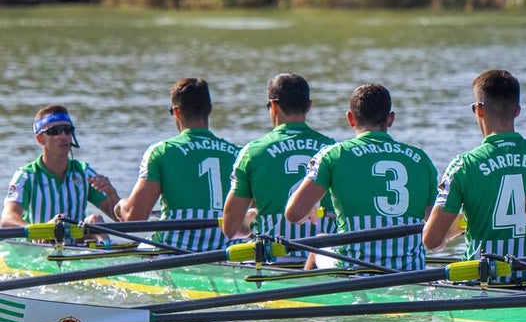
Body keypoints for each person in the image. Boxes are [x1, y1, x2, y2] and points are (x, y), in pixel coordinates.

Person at [423, 70, 526, 282]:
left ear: (478, 110)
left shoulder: (463, 166)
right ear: (517, 110)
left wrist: (460, 226)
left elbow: (432, 241)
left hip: (485, 289)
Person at [285, 83, 436, 270]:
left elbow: (293, 214)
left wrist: (309, 207)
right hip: (409, 272)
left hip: (354, 270)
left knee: (319, 243)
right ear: (390, 119)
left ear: (350, 118)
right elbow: (434, 238)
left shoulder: (333, 155)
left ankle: (306, 295)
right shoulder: (421, 159)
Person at [115, 78, 240, 252]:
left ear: (176, 112)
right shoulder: (238, 153)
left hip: (176, 248)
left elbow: (135, 218)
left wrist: (121, 205)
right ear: (209, 110)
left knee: (139, 247)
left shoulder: (161, 151)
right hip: (226, 250)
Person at [221, 73, 336, 255]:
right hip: (325, 264)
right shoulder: (334, 149)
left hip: (275, 264)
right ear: (308, 106)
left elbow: (231, 229)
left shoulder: (252, 152)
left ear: (274, 106)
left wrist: (249, 224)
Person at [3, 105, 120, 228]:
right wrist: (40, 230)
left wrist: (112, 194)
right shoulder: (26, 176)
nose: (63, 136)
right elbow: (7, 220)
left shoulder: (84, 173)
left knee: (95, 220)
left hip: (74, 244)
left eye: (67, 130)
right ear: (40, 139)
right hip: (38, 243)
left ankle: (105, 246)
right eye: (54, 131)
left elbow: (121, 218)